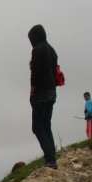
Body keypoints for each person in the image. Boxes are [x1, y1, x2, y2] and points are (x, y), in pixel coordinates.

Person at [28, 24, 59, 169]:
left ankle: (50, 160)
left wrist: (32, 92)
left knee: (38, 127)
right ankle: (52, 157)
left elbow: (36, 75)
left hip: (40, 92)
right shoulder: (52, 51)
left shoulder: (37, 50)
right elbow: (53, 71)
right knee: (46, 125)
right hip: (52, 91)